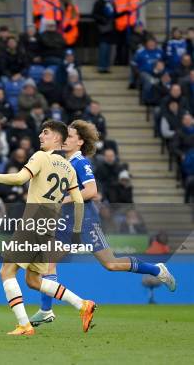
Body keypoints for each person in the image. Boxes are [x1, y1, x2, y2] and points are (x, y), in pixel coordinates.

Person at [29, 120, 176, 326]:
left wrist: (63, 199)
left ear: (80, 142)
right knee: (47, 262)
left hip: (86, 221)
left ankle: (157, 270)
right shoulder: (65, 162)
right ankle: (46, 310)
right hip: (67, 221)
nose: (65, 139)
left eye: (70, 136)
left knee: (111, 264)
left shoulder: (81, 163)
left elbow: (91, 191)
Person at [0, 120, 93, 336]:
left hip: (33, 222)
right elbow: (79, 201)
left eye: (45, 132)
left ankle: (24, 325)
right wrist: (76, 232)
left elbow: (20, 179)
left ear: (57, 138)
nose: (40, 135)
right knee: (33, 280)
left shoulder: (41, 157)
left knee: (6, 272)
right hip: (49, 227)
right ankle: (83, 305)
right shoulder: (69, 168)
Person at [113, 0, 139, 65]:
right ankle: (118, 61)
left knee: (127, 44)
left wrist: (123, 11)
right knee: (119, 44)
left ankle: (125, 62)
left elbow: (134, 5)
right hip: (118, 22)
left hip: (128, 22)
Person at [92, 0, 115, 73]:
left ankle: (107, 66)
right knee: (103, 47)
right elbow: (94, 14)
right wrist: (103, 20)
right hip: (102, 28)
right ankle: (101, 66)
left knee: (108, 48)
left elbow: (114, 14)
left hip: (110, 28)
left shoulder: (111, 3)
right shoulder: (99, 2)